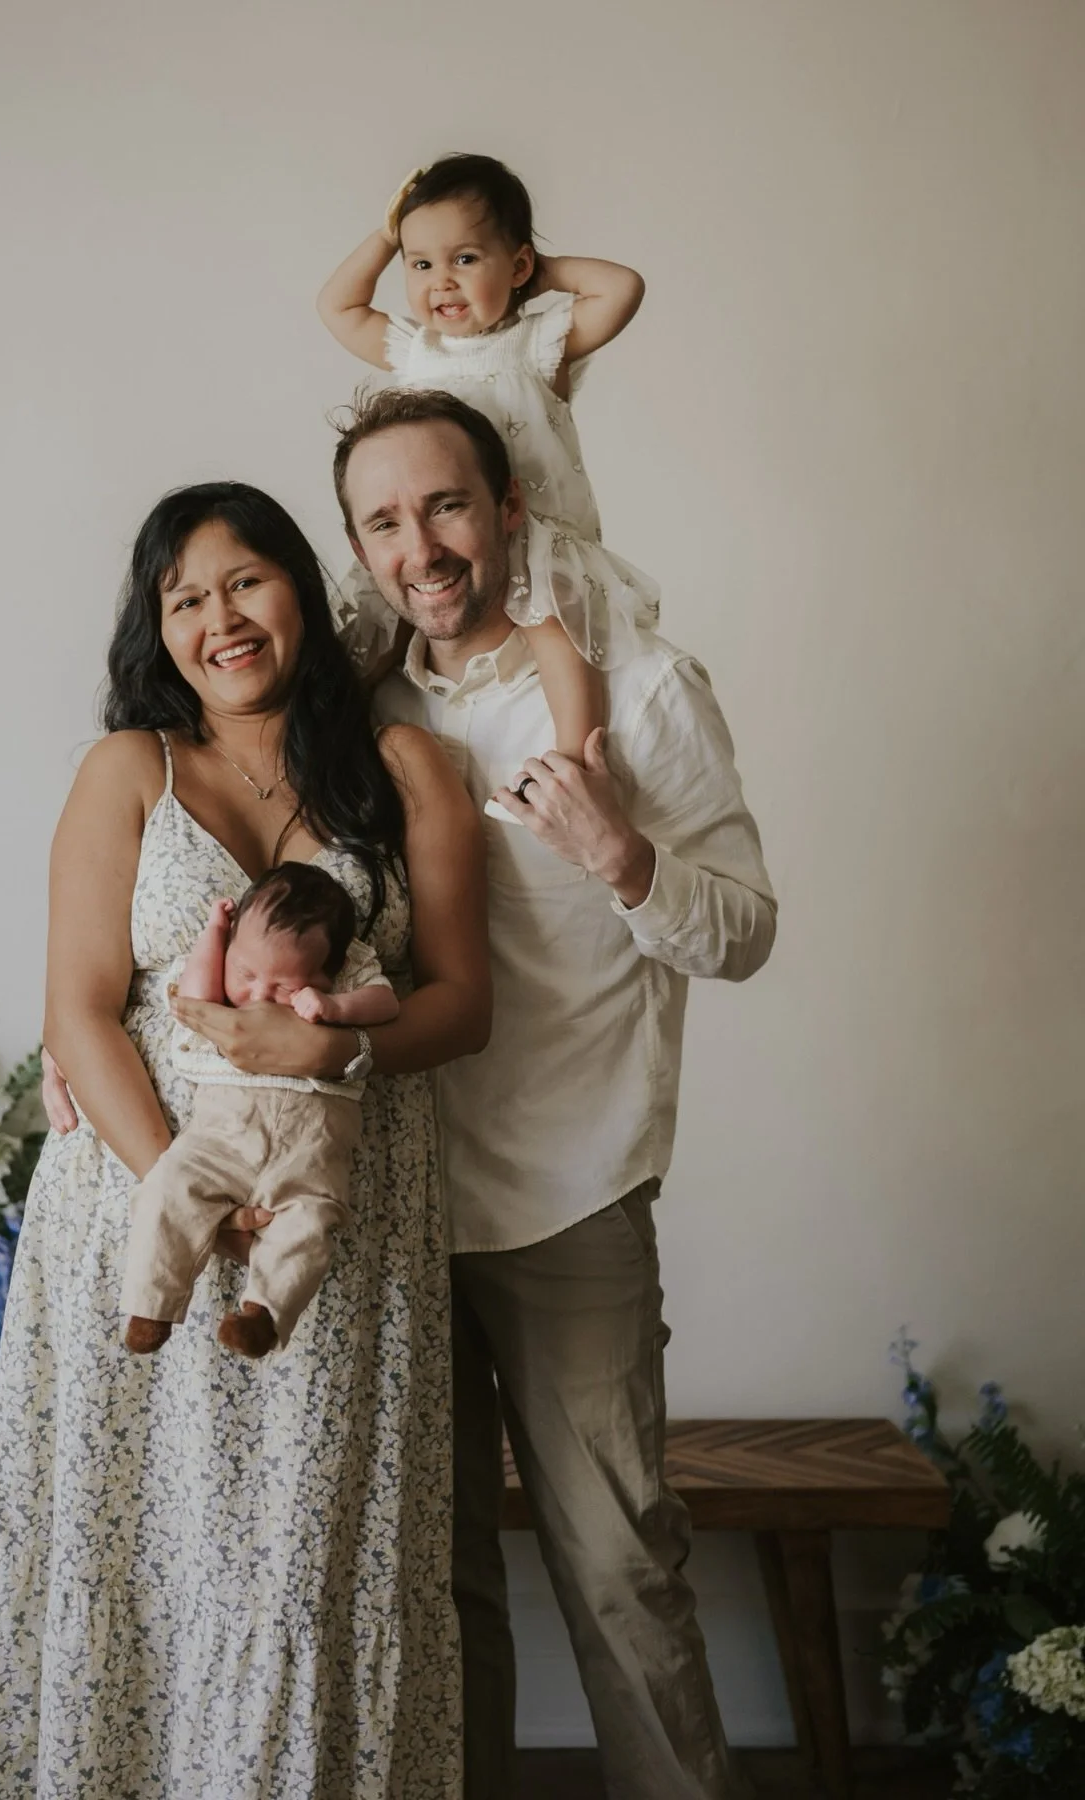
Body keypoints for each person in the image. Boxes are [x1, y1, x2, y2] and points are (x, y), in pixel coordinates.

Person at [0, 480, 490, 1798]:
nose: (218, 617)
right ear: (155, 627)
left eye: (243, 580)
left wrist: (336, 1047)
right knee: (140, 1547)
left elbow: (464, 1005)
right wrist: (186, 1195)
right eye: (182, 598)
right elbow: (80, 1009)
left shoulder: (406, 764)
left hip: (339, 1224)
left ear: (300, 586)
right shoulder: (130, 768)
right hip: (143, 1219)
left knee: (308, 1551)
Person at [332, 386, 778, 1800]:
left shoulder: (639, 689)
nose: (423, 546)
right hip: (391, 1204)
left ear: (510, 507)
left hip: (569, 1196)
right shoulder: (352, 712)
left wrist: (624, 857)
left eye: (446, 504)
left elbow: (749, 928)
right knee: (437, 1590)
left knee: (619, 1569)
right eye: (385, 521)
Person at [318, 152, 659, 779]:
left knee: (556, 637)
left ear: (519, 264)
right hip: (440, 531)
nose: (441, 281)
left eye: (465, 259)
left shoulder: (538, 342)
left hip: (531, 530)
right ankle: (326, 750)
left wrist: (536, 275)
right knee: (380, 634)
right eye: (421, 264)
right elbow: (337, 306)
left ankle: (572, 769)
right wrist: (388, 234)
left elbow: (623, 287)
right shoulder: (414, 350)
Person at [120, 862, 401, 1359]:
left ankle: (264, 1316)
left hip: (310, 1145)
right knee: (168, 1188)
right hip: (222, 1137)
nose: (257, 995)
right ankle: (151, 1304)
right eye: (246, 974)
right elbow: (196, 999)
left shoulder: (352, 971)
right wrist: (214, 933)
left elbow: (386, 1004)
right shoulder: (217, 960)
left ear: (330, 970)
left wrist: (336, 1010)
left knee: (310, 1223)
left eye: (285, 986)